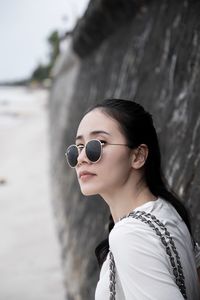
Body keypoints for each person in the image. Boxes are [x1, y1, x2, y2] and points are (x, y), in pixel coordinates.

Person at [65, 99, 200, 299]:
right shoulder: (167, 210)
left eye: (98, 144)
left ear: (138, 156)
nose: (81, 158)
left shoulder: (131, 235)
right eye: (78, 147)